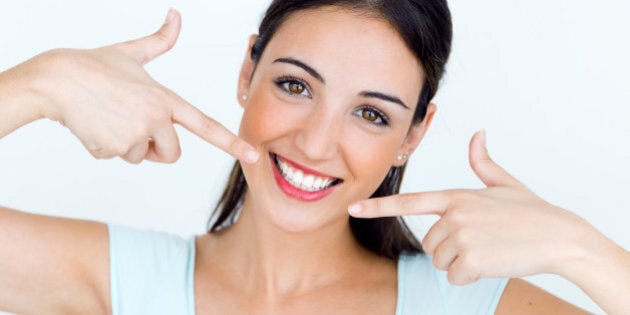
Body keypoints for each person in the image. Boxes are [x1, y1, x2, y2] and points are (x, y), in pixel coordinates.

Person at [0, 1, 628, 314]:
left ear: (415, 132)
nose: (316, 144)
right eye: (295, 85)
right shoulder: (124, 281)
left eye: (372, 113)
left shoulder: (467, 305)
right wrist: (41, 85)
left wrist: (581, 250)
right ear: (248, 70)